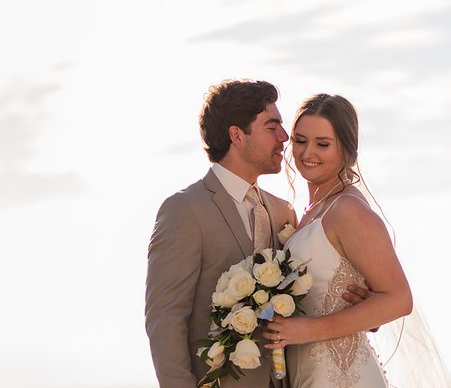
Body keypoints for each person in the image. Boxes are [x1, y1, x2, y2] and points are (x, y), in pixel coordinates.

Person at [145, 80, 370, 388]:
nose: (284, 137)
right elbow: (165, 322)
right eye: (272, 126)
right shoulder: (184, 210)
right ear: (237, 135)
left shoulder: (283, 212)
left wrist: (359, 305)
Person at [263, 94, 413, 388]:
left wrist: (308, 331)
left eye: (322, 144)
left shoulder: (348, 210)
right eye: (300, 140)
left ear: (347, 150)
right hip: (306, 371)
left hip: (342, 375)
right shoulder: (311, 210)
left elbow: (399, 299)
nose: (308, 152)